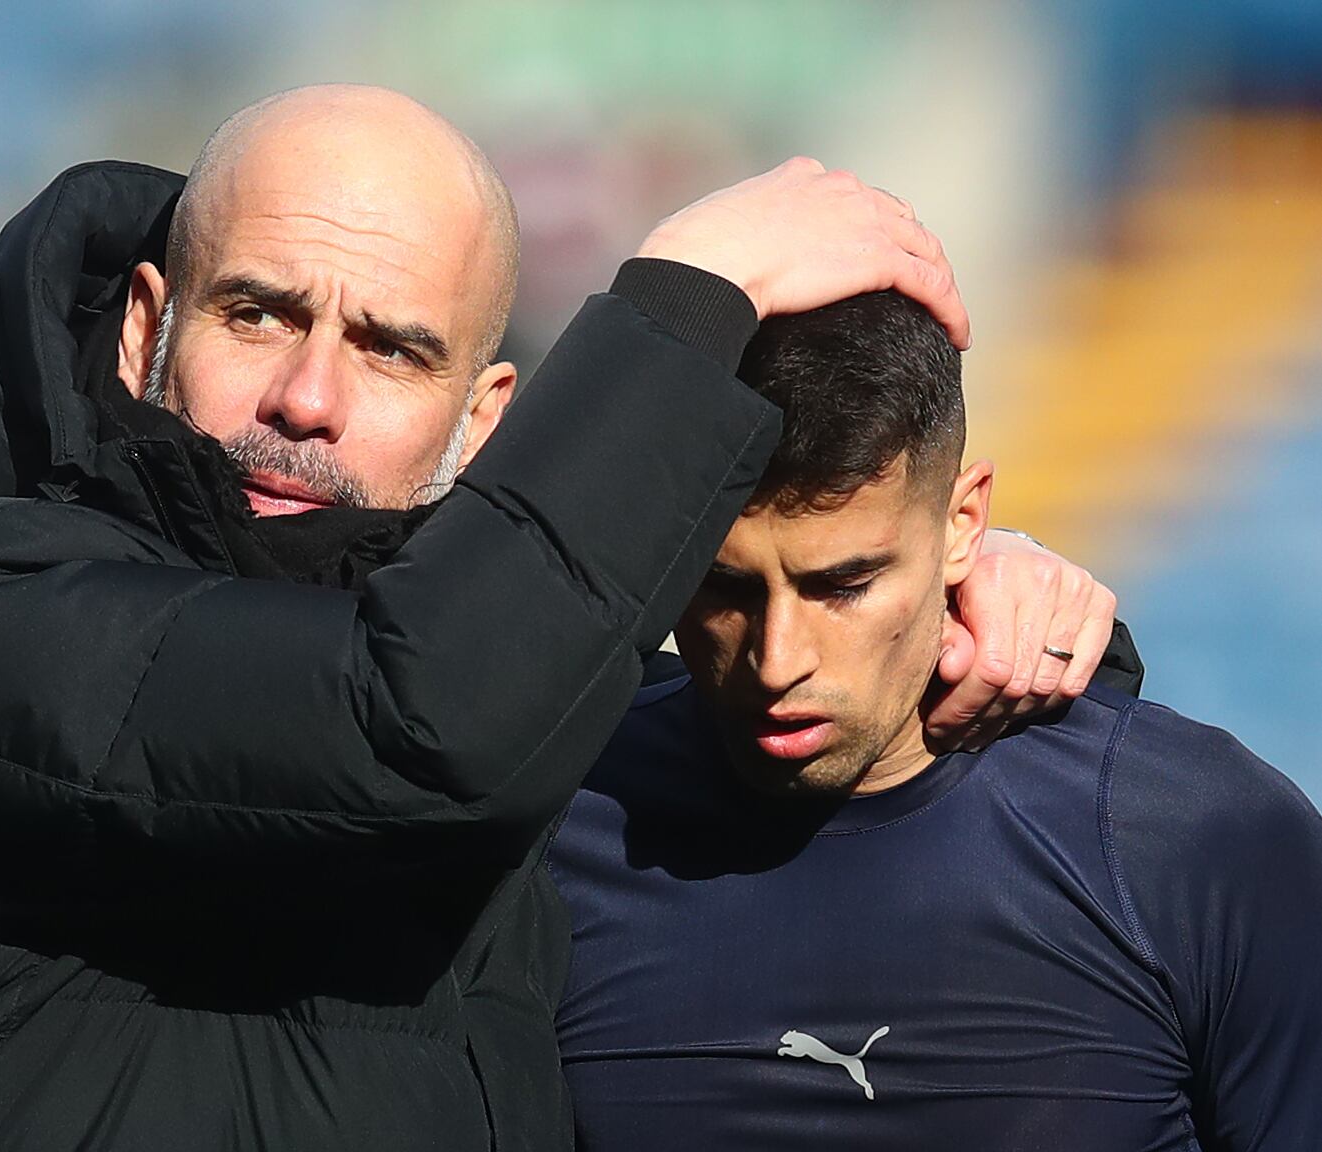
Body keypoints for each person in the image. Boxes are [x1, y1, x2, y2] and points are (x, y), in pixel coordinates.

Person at [0, 85, 1121, 1151]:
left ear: (486, 417)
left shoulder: (495, 674)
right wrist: (688, 307)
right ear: (147, 327)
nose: (309, 403)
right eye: (261, 314)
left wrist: (994, 630)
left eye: (392, 347)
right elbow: (400, 731)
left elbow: (773, 732)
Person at [552, 289, 1322, 1150]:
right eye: (722, 585)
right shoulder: (545, 818)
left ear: (963, 523)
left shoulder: (1199, 841)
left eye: (841, 585)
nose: (778, 659)